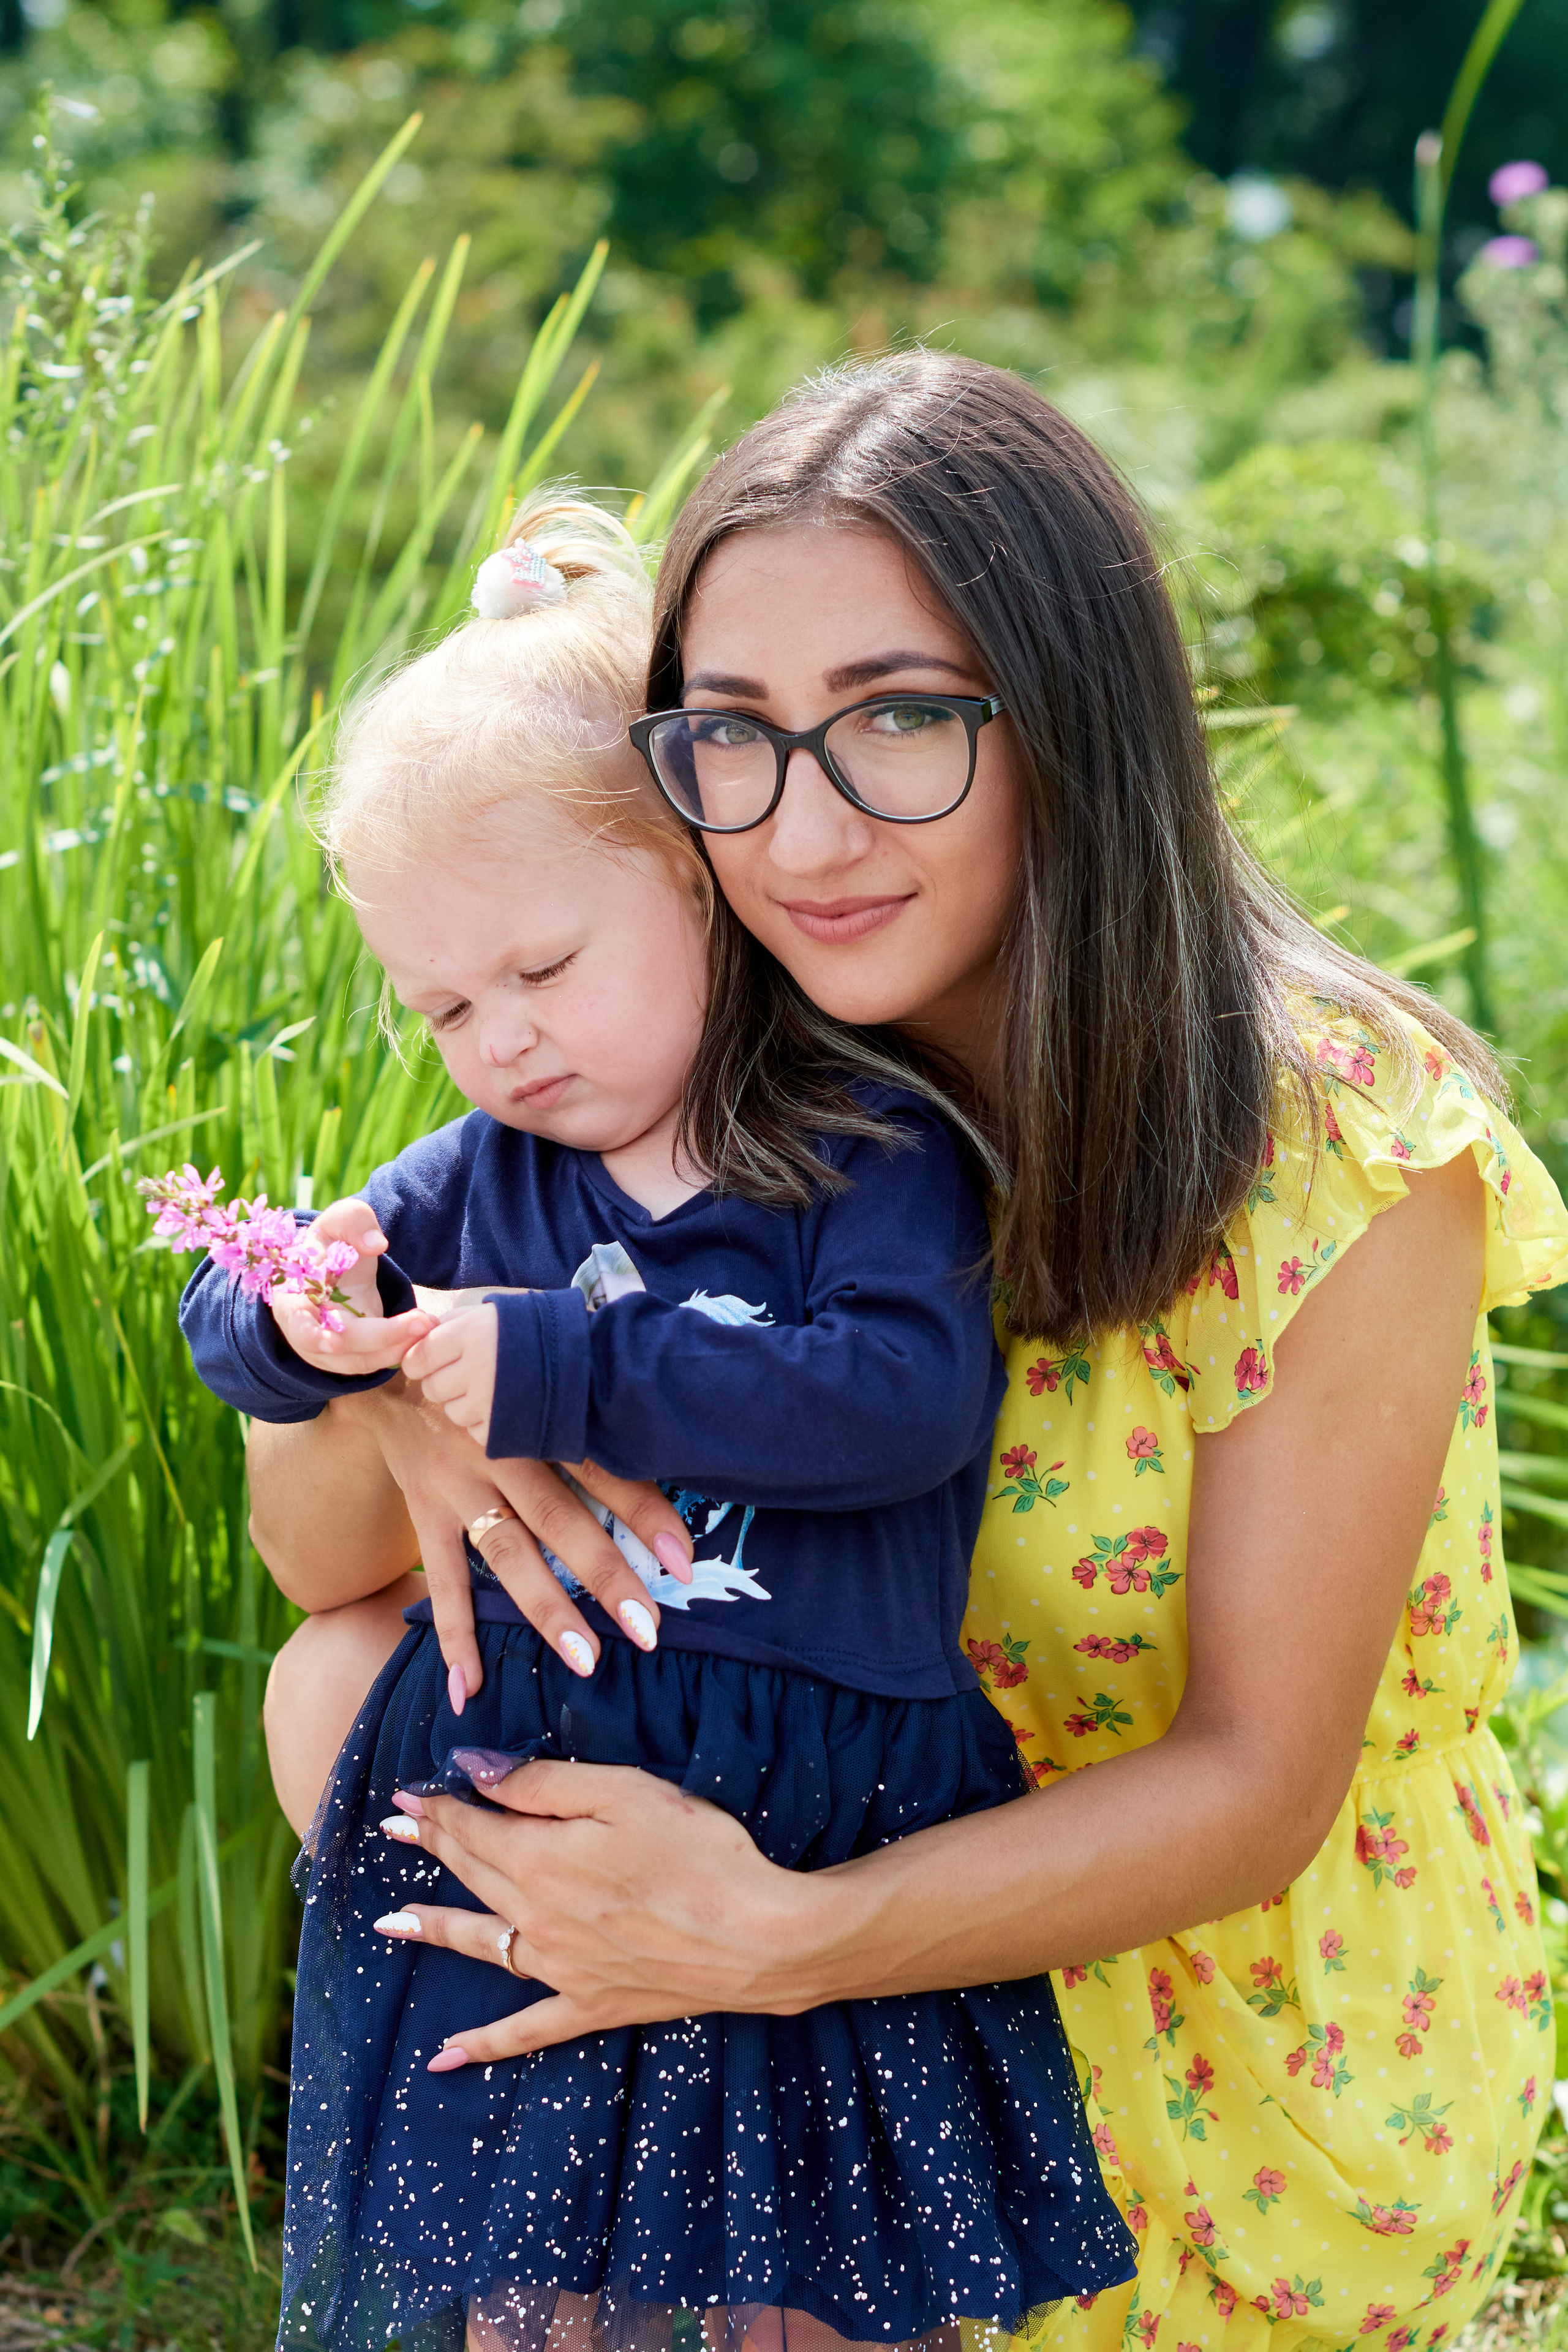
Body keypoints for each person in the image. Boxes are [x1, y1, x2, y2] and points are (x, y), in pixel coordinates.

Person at [252, 354, 1568, 2352]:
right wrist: (413, 1408)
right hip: (749, 1912)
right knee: (345, 1669)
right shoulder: (687, 1056)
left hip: (1173, 2013)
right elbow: (314, 1573)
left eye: (901, 721)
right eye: (737, 740)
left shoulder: (1332, 1141)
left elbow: (1255, 1785)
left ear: (1071, 721)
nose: (806, 827)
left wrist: (775, 1943)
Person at [181, 491, 1137, 2352]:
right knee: (529, 2293)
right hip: (553, 1837)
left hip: (816, 1830)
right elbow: (283, 1300)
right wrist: (293, 1322)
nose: (504, 1039)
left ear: (700, 886)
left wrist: (558, 1367)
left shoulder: (867, 1152)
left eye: (542, 970)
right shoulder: (483, 1176)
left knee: (803, 2287)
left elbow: (904, 1401)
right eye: (445, 1005)